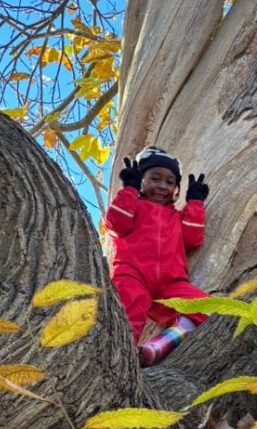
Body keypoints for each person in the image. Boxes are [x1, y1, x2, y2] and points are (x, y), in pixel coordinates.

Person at [104, 146, 210, 366]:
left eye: (170, 182)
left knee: (208, 309)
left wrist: (195, 202)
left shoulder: (176, 216)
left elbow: (193, 238)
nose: (162, 186)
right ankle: (119, 362)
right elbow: (116, 223)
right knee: (126, 317)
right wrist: (129, 190)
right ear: (141, 179)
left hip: (172, 283)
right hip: (132, 275)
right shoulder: (135, 205)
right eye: (155, 178)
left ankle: (155, 348)